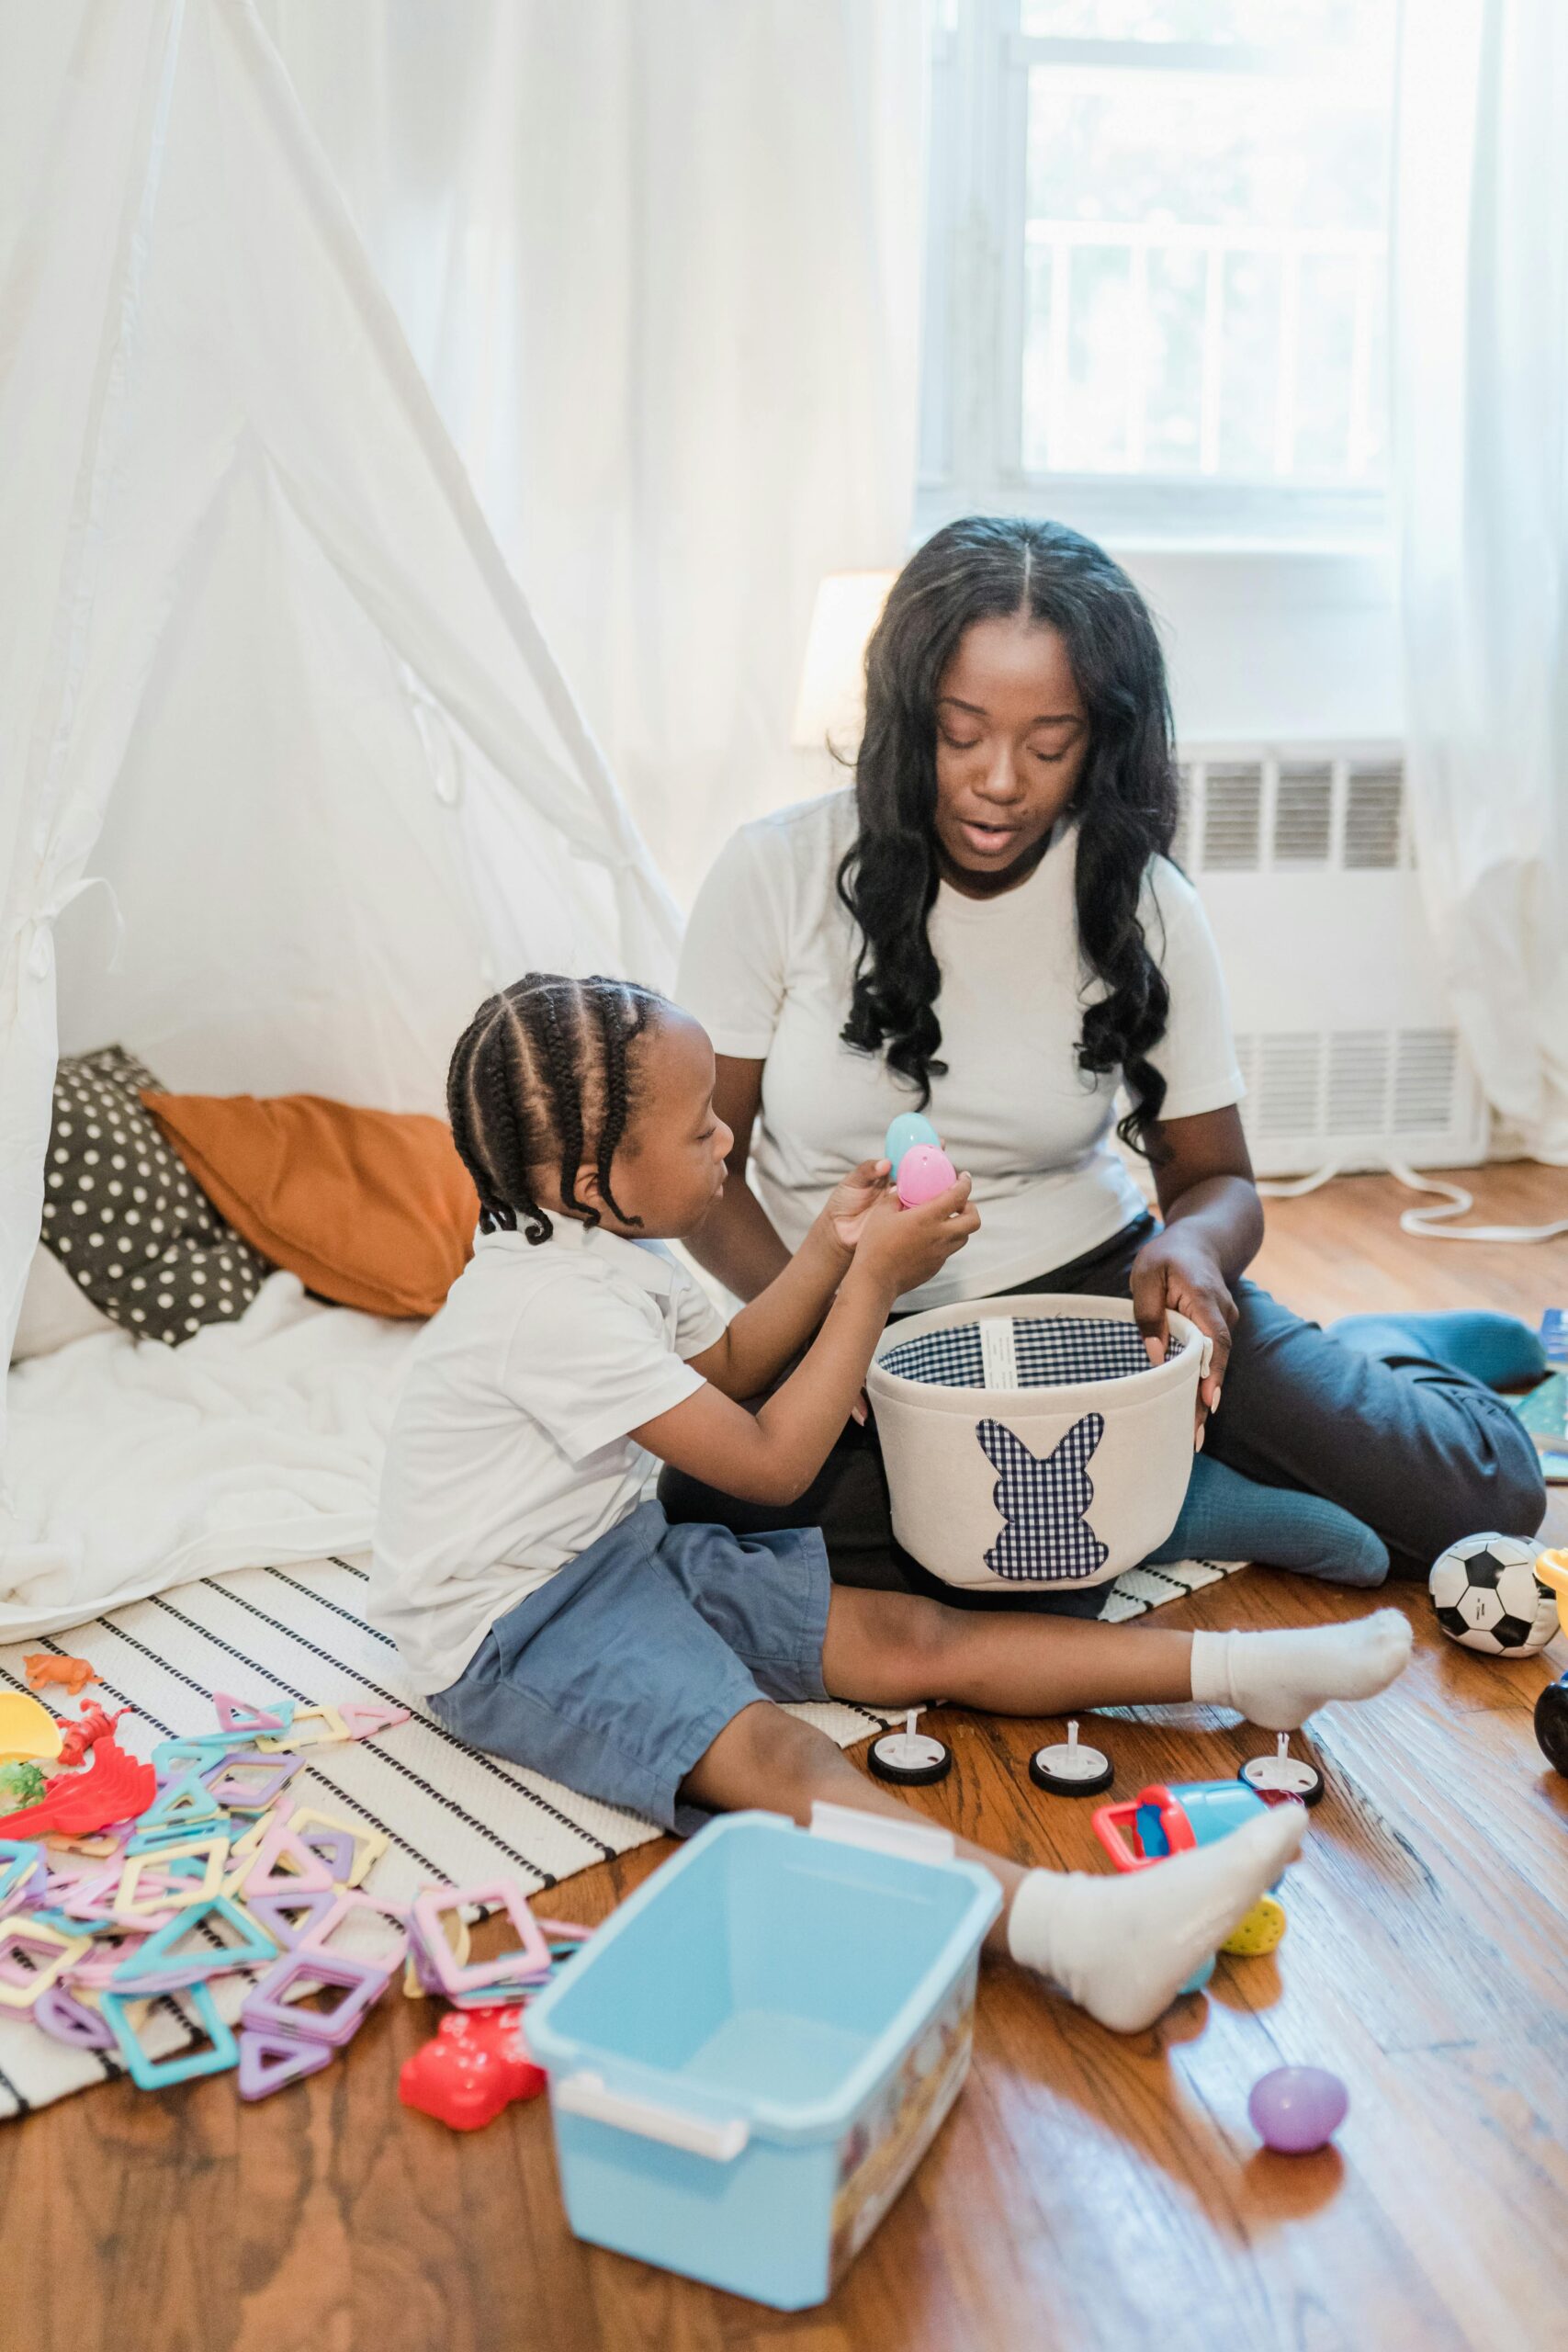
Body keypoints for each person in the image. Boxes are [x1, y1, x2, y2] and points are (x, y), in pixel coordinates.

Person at [369, 973, 1415, 2034]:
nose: (728, 1144)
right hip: (510, 1628)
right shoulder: (546, 1308)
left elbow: (730, 1364)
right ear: (591, 1177)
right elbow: (770, 1465)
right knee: (777, 1756)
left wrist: (829, 1249)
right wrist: (869, 1287)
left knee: (916, 1636)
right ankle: (1070, 1933)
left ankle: (1251, 1674)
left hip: (613, 1551)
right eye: (698, 1133)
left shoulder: (608, 1250)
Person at [664, 514, 1545, 1598]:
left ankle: (1391, 1353)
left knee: (1476, 1503)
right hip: (850, 1305)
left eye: (1048, 745)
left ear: (1101, 739)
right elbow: (704, 1176)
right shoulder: (773, 874)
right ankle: (1171, 1505)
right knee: (713, 1512)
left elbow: (1216, 1180)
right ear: (907, 718)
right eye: (961, 733)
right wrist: (816, 1320)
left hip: (1094, 1290)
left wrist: (1196, 1257)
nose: (999, 781)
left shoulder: (1138, 899)